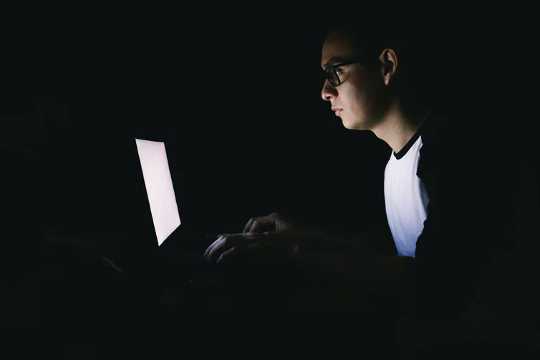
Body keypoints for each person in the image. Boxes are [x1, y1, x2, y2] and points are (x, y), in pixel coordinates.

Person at [203, 25, 511, 320]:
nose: (325, 92)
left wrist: (294, 250)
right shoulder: (397, 163)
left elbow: (436, 282)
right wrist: (300, 237)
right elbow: (399, 258)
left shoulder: (453, 154)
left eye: (335, 73)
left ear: (387, 66)